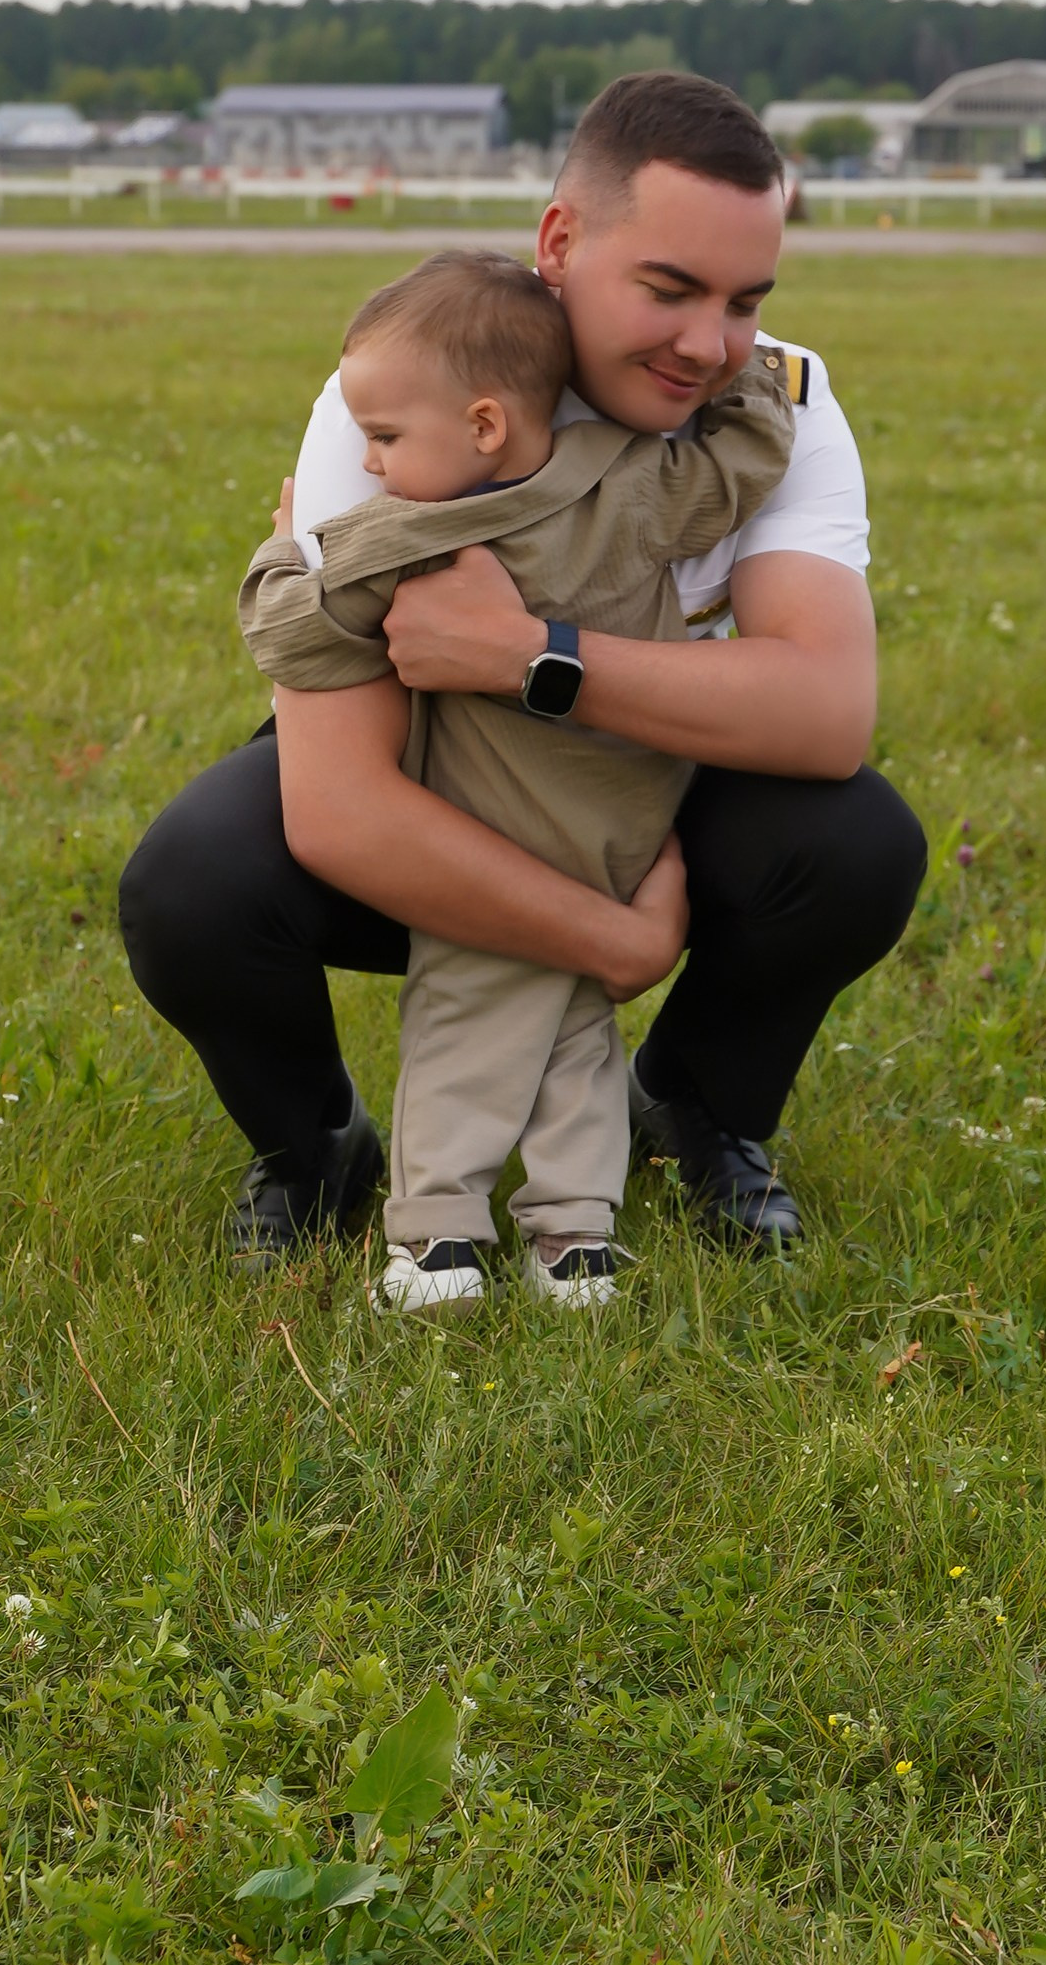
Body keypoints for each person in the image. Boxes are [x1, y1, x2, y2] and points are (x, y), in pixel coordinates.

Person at [119, 69, 927, 1256]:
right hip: (443, 782)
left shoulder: (777, 407)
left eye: (745, 299)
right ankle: (313, 1147)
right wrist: (614, 943)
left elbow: (824, 713)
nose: (709, 343)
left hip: (645, 796)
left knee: (854, 844)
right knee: (194, 882)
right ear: (560, 241)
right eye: (668, 287)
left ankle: (695, 1105)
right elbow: (341, 807)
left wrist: (528, 656)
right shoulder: (401, 396)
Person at [240, 248, 796, 1312]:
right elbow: (741, 466)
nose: (370, 457)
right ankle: (574, 1239)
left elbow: (290, 638)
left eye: (388, 437)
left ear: (484, 426)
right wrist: (751, 372)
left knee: (465, 1024)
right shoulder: (632, 485)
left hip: (489, 836)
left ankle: (437, 1234)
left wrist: (281, 550)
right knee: (576, 1030)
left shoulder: (410, 532)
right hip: (621, 833)